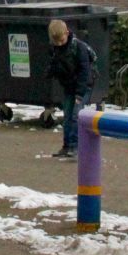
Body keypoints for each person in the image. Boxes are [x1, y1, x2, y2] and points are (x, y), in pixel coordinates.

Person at [45, 19, 97, 158]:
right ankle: (67, 145)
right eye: (56, 42)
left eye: (61, 41)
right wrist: (50, 72)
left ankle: (75, 146)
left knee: (75, 115)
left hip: (83, 86)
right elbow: (54, 64)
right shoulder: (55, 48)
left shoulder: (78, 47)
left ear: (67, 33)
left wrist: (80, 94)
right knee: (67, 115)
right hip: (69, 85)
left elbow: (84, 71)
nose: (59, 44)